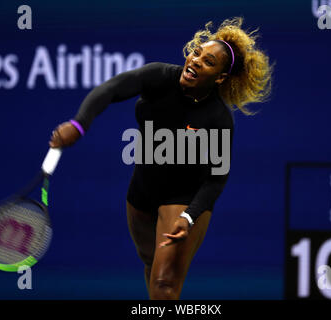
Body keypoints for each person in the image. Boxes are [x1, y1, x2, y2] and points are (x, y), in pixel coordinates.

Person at [48, 17, 272, 300]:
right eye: (198, 52)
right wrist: (79, 123)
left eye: (209, 62)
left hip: (183, 198)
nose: (197, 60)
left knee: (165, 285)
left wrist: (190, 216)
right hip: (141, 191)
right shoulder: (160, 76)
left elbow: (216, 179)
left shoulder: (218, 118)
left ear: (220, 78)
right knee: (150, 262)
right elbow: (113, 88)